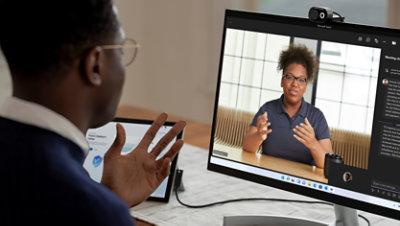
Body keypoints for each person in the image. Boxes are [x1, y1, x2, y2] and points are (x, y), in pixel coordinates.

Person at [0, 0, 185, 225]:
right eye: (121, 50)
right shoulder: (94, 211)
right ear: (95, 65)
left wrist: (105, 194)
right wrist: (105, 206)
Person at [242, 44, 333, 168]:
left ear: (306, 86)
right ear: (282, 81)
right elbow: (246, 146)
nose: (295, 84)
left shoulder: (317, 116)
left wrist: (313, 143)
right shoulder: (267, 109)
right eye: (289, 77)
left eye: (301, 79)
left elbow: (329, 165)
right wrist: (259, 136)